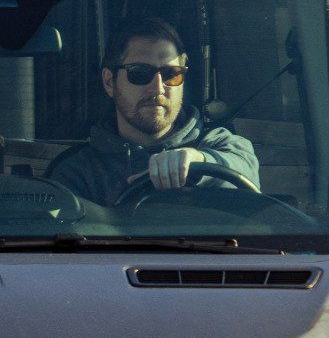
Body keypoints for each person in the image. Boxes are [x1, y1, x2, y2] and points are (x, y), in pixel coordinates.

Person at [47, 17, 260, 209]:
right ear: (109, 82)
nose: (158, 88)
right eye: (140, 73)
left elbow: (245, 170)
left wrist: (198, 161)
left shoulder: (219, 143)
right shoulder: (78, 171)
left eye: (171, 74)